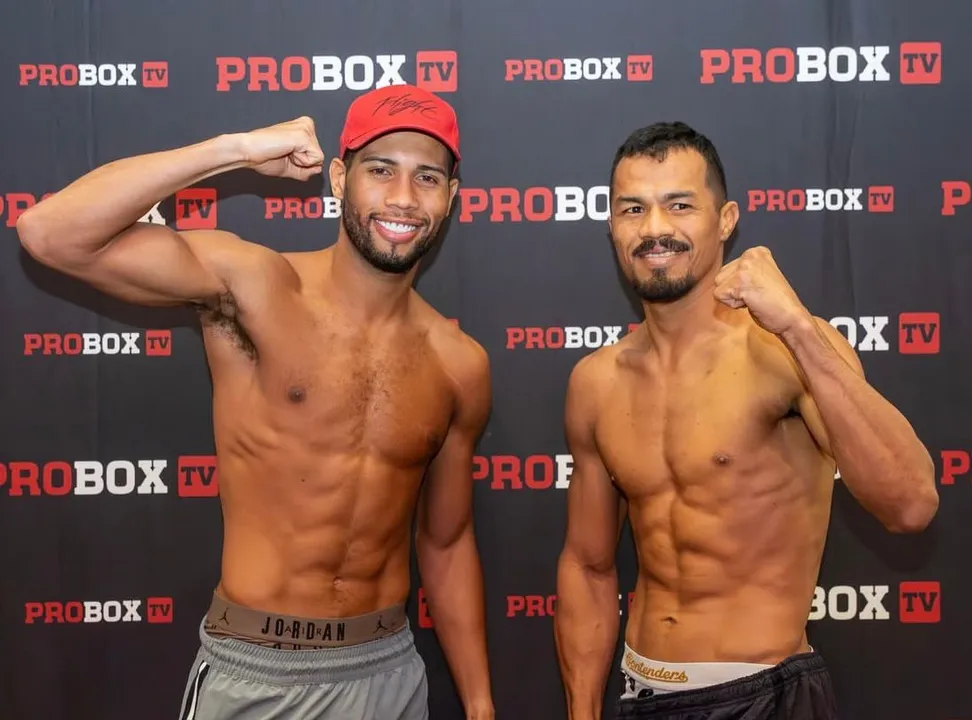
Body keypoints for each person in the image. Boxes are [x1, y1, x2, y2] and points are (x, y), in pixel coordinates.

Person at [17, 84, 495, 720]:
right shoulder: (256, 286)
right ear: (339, 178)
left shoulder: (460, 363)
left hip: (389, 674)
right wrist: (235, 150)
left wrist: (481, 704)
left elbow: (448, 542)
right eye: (381, 170)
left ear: (451, 197)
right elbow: (50, 233)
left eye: (427, 177)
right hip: (259, 672)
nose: (403, 197)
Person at [553, 121, 938, 720]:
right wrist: (581, 711)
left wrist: (798, 329)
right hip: (641, 694)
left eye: (680, 205)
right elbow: (588, 564)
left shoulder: (784, 350)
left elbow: (910, 504)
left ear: (726, 219)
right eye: (633, 209)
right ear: (612, 226)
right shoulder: (596, 382)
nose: (654, 228)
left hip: (764, 695)